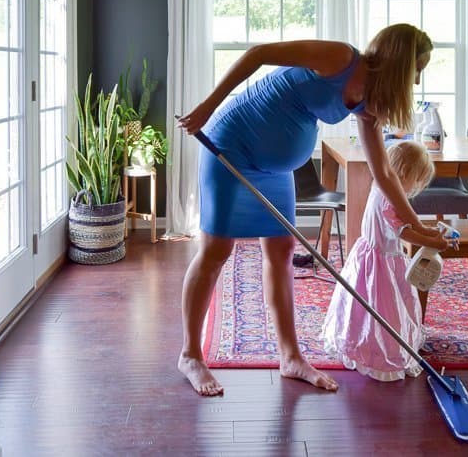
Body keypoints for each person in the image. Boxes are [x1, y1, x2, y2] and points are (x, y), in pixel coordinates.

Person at [177, 23, 448, 396]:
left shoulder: (371, 103)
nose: (417, 80)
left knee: (282, 250)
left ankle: (290, 357)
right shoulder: (340, 57)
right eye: (417, 69)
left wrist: (417, 225)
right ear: (402, 62)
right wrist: (207, 107)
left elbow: (383, 170)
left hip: (276, 168)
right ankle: (191, 354)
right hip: (232, 143)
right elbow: (259, 54)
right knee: (216, 250)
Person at [321, 141, 448, 382]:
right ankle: (383, 352)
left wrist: (427, 232)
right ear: (404, 173)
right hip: (384, 261)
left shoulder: (381, 186)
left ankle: (363, 342)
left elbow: (408, 223)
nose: (414, 188)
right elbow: (403, 232)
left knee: (364, 304)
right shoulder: (391, 198)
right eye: (415, 180)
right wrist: (431, 241)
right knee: (386, 306)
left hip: (368, 253)